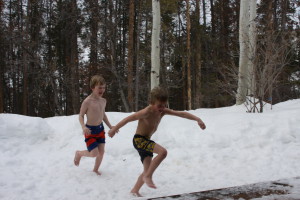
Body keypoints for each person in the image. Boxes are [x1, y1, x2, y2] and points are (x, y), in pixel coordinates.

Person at [108, 86, 206, 197]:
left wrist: (198, 119)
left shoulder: (162, 111)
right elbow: (128, 119)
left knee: (147, 169)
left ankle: (135, 190)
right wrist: (114, 129)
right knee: (163, 152)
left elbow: (181, 113)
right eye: (159, 105)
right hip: (139, 140)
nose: (162, 108)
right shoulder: (146, 112)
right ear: (151, 102)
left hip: (146, 141)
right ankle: (148, 176)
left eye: (164, 105)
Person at [74, 75, 116, 175]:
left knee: (101, 152)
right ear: (93, 88)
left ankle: (95, 169)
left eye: (104, 87)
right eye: (99, 88)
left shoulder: (103, 101)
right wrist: (83, 127)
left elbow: (103, 115)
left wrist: (111, 127)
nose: (102, 90)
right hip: (90, 130)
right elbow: (80, 116)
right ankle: (79, 153)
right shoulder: (87, 102)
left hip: (100, 129)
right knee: (94, 153)